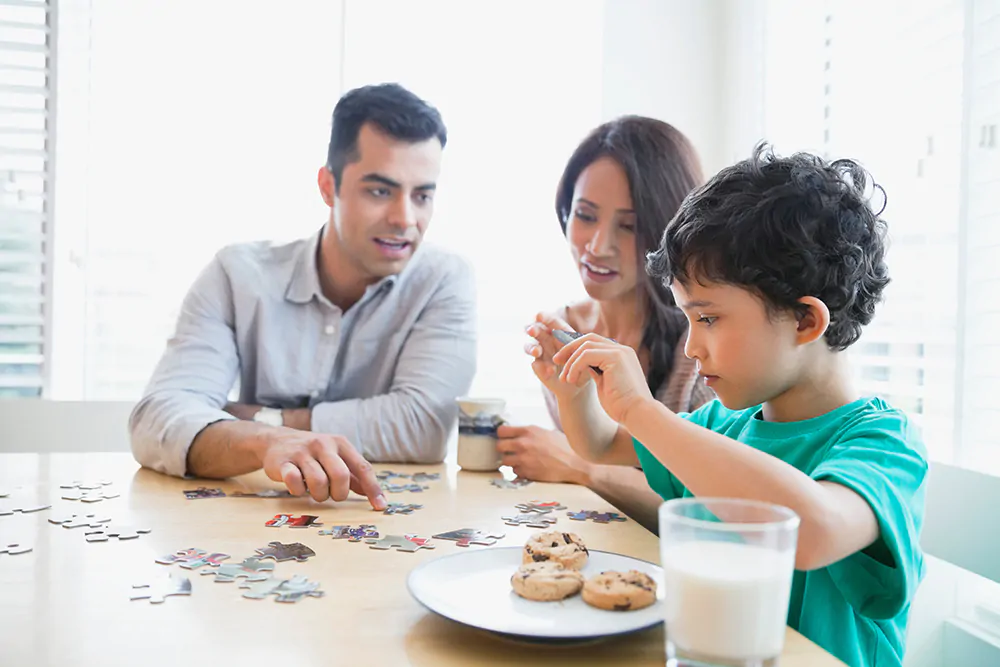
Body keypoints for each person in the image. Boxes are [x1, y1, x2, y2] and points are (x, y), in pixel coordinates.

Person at [531, 144, 926, 667]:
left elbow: (811, 532)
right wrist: (573, 390)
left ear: (806, 322)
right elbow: (602, 443)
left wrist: (643, 410)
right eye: (688, 320)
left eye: (710, 318)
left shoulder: (884, 444)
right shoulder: (721, 424)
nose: (692, 347)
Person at [129, 83, 477, 510]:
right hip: (256, 527)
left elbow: (423, 428)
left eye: (422, 195)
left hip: (391, 524)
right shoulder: (237, 275)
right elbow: (156, 420)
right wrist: (267, 443)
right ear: (328, 186)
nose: (406, 218)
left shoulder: (444, 280)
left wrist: (261, 419)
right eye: (380, 191)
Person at [501, 116, 713, 532]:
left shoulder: (704, 344)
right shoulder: (568, 328)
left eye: (629, 226)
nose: (598, 246)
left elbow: (709, 511)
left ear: (670, 229)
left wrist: (582, 467)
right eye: (585, 215)